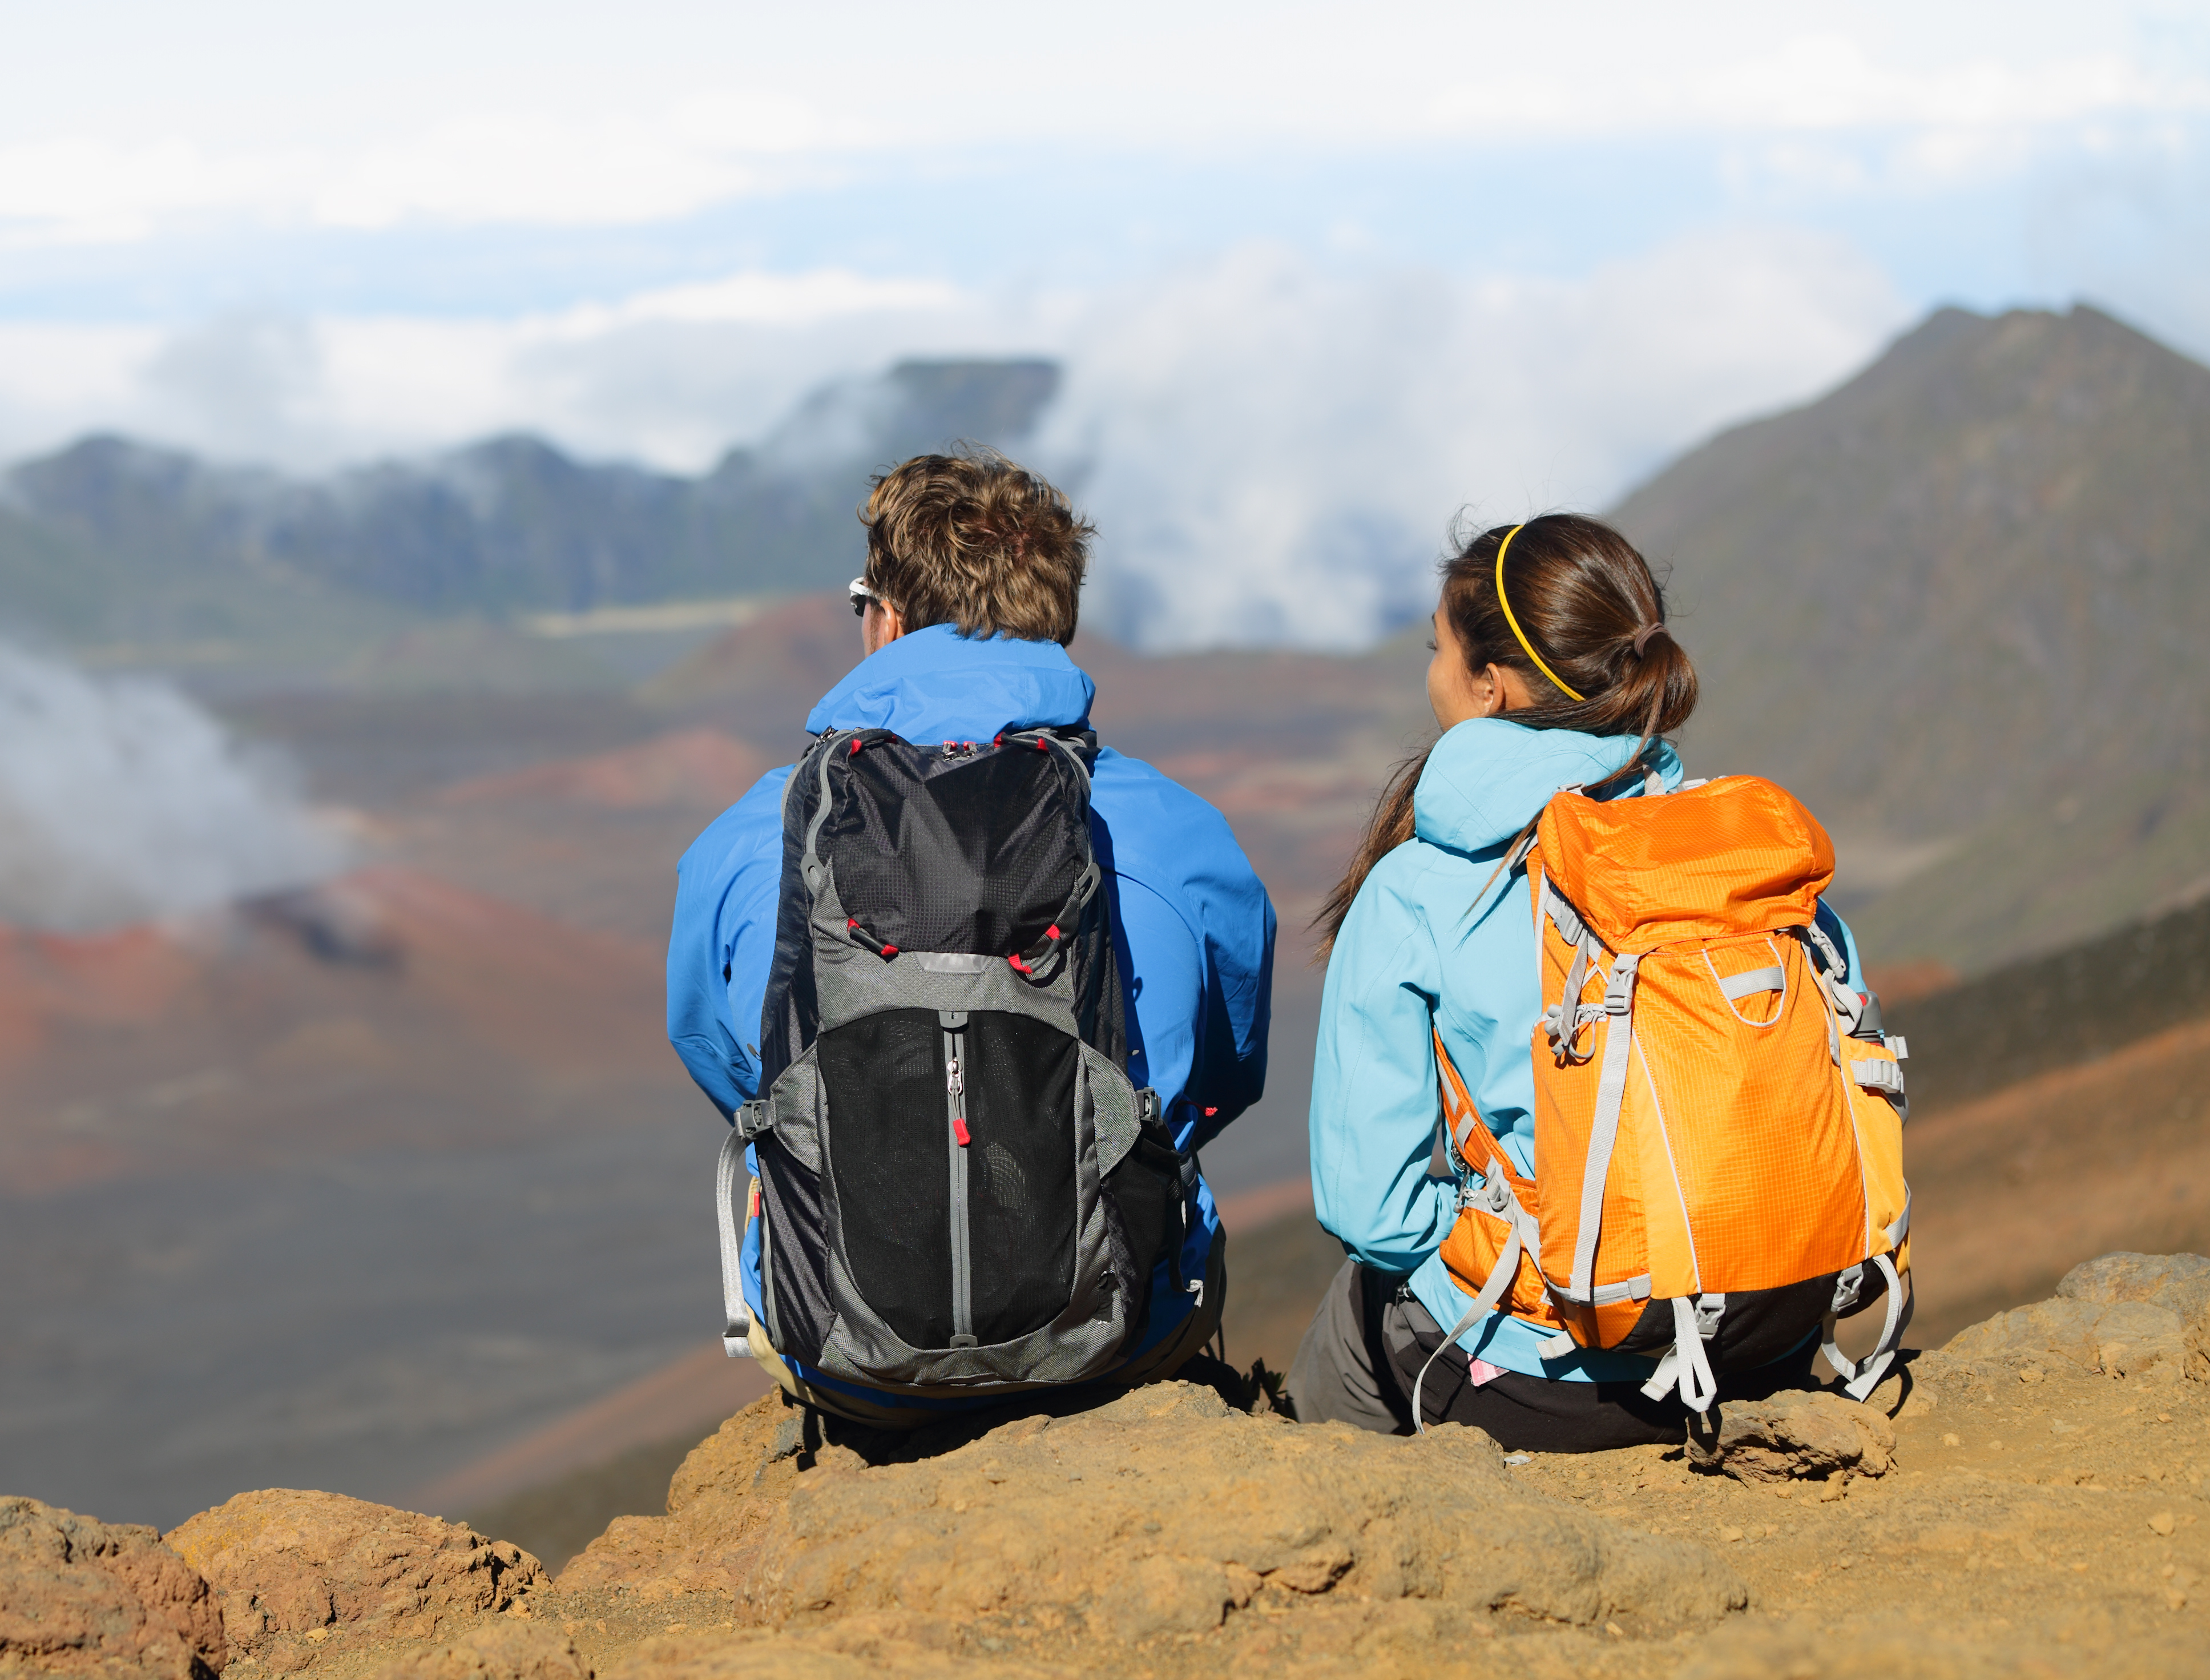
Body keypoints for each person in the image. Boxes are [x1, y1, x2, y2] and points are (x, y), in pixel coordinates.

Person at [666, 450, 1276, 1425]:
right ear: (1057, 624)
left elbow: (729, 1067)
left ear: (891, 617)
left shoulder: (755, 835)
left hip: (845, 1355)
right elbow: (1223, 1077)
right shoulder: (1182, 833)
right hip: (1115, 1348)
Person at [1293, 512, 1870, 1446]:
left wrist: (1514, 1240)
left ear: (1489, 685)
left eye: (1436, 650)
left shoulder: (1420, 889)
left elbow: (1373, 1208)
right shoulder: (1746, 858)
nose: (1432, 673)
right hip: (1772, 1337)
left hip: (1547, 1382)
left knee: (1352, 1318)